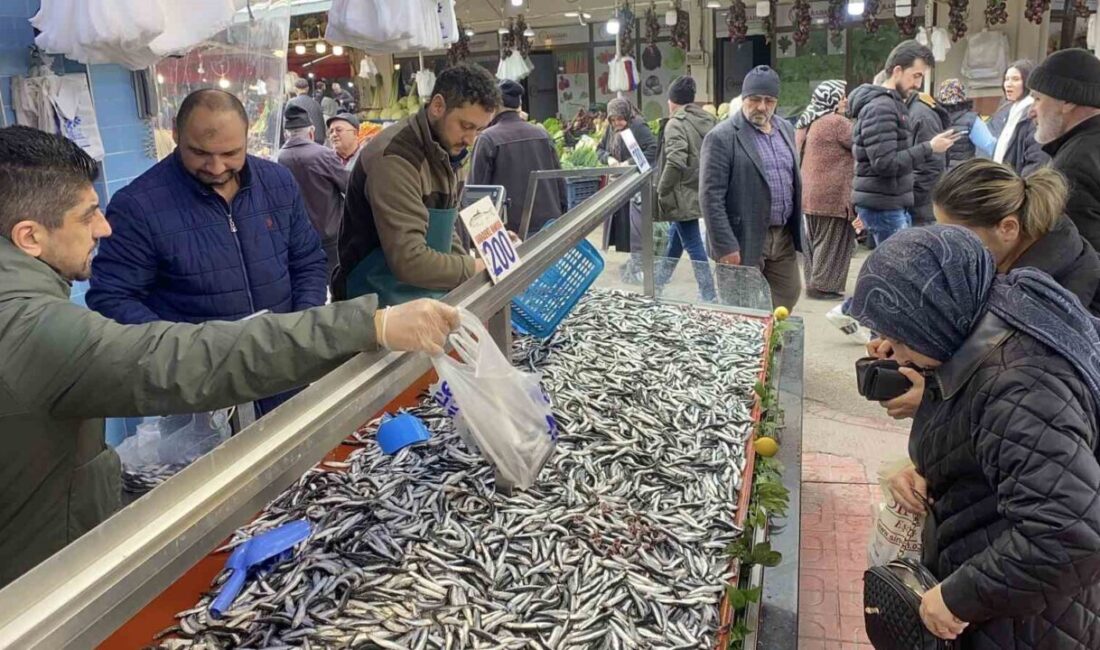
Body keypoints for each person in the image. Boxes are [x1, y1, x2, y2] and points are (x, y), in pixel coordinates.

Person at [0, 125, 459, 587]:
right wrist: (368, 325)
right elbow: (189, 359)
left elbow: (304, 259)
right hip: (29, 591)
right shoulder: (28, 327)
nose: (103, 227)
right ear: (29, 236)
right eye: (87, 216)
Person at [848, 225, 1100, 647]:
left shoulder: (1019, 386)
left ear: (932, 317)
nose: (892, 351)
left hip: (1028, 622)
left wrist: (958, 597)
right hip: (998, 581)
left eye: (899, 335)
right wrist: (928, 466)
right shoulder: (990, 317)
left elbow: (1070, 534)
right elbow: (995, 444)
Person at [87, 89, 329, 417]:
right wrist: (186, 353)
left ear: (248, 137)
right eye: (199, 152)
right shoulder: (138, 206)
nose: (216, 167)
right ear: (175, 134)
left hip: (286, 373)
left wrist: (301, 330)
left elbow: (308, 262)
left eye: (231, 153)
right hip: (199, 394)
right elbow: (111, 298)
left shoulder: (278, 182)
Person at [868, 159, 1100, 420]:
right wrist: (908, 339)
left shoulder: (1062, 296)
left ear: (1008, 228)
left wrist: (936, 402)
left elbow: (1034, 404)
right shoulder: (1004, 266)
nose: (947, 251)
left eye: (959, 237)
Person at [334, 63, 499, 306]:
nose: (471, 139)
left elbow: (443, 230)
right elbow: (409, 261)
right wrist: (472, 267)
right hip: (374, 303)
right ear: (438, 106)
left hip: (421, 296)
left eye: (479, 129)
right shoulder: (395, 159)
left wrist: (477, 263)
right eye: (466, 126)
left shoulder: (448, 149)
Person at [700, 65, 803, 310]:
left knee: (788, 292)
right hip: (742, 237)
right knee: (741, 307)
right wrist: (725, 245)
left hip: (782, 235)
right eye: (755, 99)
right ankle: (751, 345)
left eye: (769, 100)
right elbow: (710, 196)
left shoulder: (785, 129)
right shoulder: (721, 137)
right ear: (744, 99)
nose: (761, 106)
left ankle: (769, 343)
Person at [848, 40, 959, 244]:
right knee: (899, 271)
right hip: (884, 207)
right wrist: (929, 147)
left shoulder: (891, 104)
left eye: (921, 77)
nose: (918, 84)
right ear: (897, 71)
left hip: (888, 204)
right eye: (916, 75)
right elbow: (885, 163)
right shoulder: (881, 107)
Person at [469, 80, 568, 236]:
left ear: (494, 105)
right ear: (519, 105)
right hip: (548, 228)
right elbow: (560, 183)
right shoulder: (542, 134)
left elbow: (475, 194)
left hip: (509, 234)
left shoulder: (487, 139)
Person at [1028, 48, 1100, 252]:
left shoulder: (1074, 165)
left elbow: (1083, 260)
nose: (1031, 112)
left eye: (1037, 99)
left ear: (1067, 101)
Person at [653, 76, 717, 302]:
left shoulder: (676, 123)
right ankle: (658, 282)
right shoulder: (708, 120)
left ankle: (708, 293)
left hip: (680, 193)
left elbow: (675, 161)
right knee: (676, 239)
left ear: (672, 101)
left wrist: (661, 189)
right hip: (701, 188)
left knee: (692, 243)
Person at [795, 80, 856, 300]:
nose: (846, 100)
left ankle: (814, 281)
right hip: (832, 194)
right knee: (832, 242)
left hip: (809, 192)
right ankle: (822, 287)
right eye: (841, 96)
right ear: (831, 100)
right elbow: (860, 141)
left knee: (816, 240)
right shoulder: (836, 122)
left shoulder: (807, 120)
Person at [277, 104, 349, 281]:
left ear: (287, 134)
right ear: (311, 132)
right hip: (330, 236)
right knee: (336, 282)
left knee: (309, 283)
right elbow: (349, 186)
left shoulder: (279, 158)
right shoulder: (323, 155)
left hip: (298, 238)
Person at [597, 97, 657, 282]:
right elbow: (600, 149)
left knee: (636, 226)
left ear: (627, 115)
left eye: (619, 119)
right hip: (618, 184)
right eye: (613, 120)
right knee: (623, 225)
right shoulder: (611, 129)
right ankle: (633, 261)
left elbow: (653, 149)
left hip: (636, 184)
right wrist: (608, 159)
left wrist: (629, 163)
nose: (617, 123)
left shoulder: (638, 127)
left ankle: (640, 263)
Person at [989, 60, 1048, 176]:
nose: (1008, 84)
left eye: (1015, 79)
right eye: (1006, 79)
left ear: (1027, 82)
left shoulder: (1033, 114)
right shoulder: (1007, 110)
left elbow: (1037, 160)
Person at [906, 87, 951, 226]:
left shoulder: (921, 115)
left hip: (921, 208)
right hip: (917, 203)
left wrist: (908, 195)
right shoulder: (908, 111)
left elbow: (930, 166)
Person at [935, 79, 996, 168]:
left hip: (938, 174)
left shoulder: (932, 116)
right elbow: (990, 145)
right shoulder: (971, 120)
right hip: (962, 174)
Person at [287, 78, 326, 145]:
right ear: (307, 89)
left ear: (295, 89)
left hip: (301, 142)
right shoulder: (316, 103)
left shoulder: (291, 103)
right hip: (318, 141)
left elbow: (287, 126)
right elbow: (322, 123)